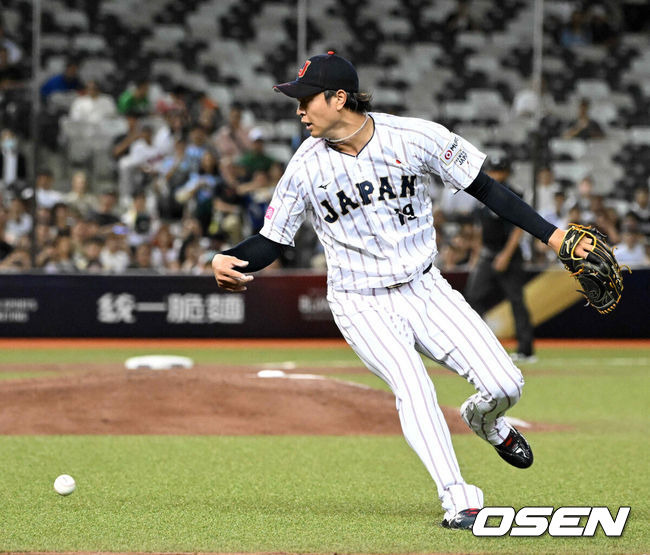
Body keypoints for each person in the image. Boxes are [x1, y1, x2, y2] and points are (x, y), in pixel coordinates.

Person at [210, 52, 595, 531]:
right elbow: (271, 241)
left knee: (505, 385)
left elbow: (488, 190)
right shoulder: (304, 167)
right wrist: (228, 257)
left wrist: (554, 236)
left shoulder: (416, 137)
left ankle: (486, 420)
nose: (299, 109)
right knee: (414, 386)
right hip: (358, 300)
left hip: (424, 287)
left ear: (339, 98)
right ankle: (460, 499)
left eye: (307, 99)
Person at [464, 156, 536, 362]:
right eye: (491, 170)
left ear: (506, 173)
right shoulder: (481, 193)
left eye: (497, 171)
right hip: (487, 254)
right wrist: (476, 256)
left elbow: (518, 228)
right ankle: (483, 343)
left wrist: (505, 255)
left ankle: (526, 350)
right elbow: (479, 229)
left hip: (509, 255)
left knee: (516, 300)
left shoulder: (514, 194)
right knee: (473, 296)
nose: (493, 174)